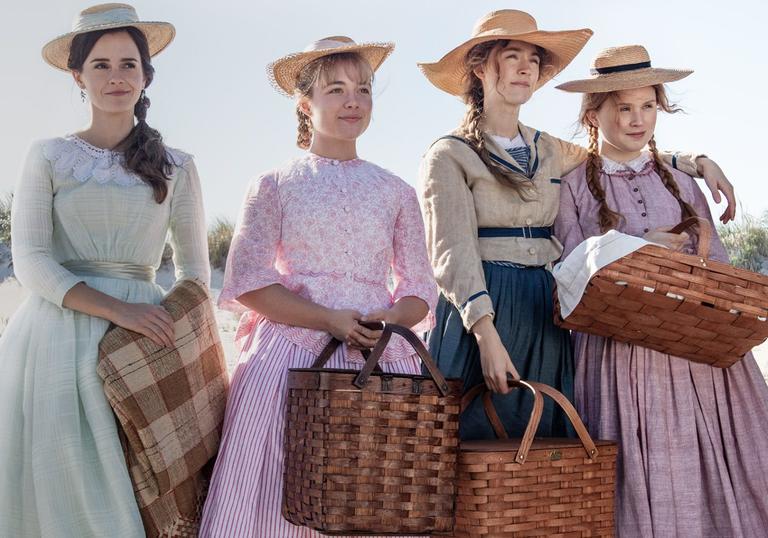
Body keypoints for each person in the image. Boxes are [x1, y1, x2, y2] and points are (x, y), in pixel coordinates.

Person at [417, 9, 736, 441]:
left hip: (542, 307)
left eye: (533, 58)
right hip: (481, 305)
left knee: (544, 442)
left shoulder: (548, 148)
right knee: (469, 442)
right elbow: (451, 252)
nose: (526, 67)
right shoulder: (448, 155)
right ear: (478, 67)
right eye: (512, 56)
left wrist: (696, 162)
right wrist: (486, 335)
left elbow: (620, 151)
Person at [199, 37, 437, 537]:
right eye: (336, 89)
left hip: (378, 357)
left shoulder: (397, 191)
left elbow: (419, 289)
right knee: (275, 493)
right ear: (305, 105)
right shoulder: (275, 184)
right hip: (290, 355)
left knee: (367, 493)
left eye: (364, 89)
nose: (353, 100)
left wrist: (386, 321)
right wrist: (329, 319)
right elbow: (248, 283)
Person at [0, 3, 210, 537]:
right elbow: (30, 261)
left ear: (145, 75)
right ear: (77, 76)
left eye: (128, 64)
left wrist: (161, 326)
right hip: (55, 337)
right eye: (100, 65)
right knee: (61, 488)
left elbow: (195, 272)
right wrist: (119, 310)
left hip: (144, 343)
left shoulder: (178, 165)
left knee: (139, 488)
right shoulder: (47, 155)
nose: (116, 77)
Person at [554, 44, 768, 537]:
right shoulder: (572, 186)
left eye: (647, 105)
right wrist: (633, 248)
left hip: (695, 351)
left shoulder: (681, 181)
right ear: (595, 112)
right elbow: (569, 270)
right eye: (623, 107)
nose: (637, 119)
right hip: (620, 351)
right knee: (637, 465)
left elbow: (717, 266)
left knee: (717, 464)